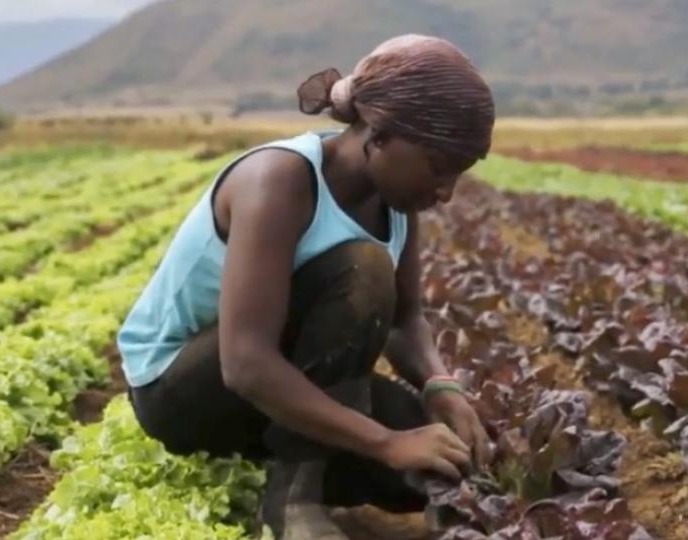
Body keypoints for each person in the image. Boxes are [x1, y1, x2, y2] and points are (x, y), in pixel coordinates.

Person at [116, 34, 496, 539]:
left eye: (458, 176)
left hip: (276, 379)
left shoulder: (395, 201)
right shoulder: (280, 181)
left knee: (445, 459)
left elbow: (406, 322)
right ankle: (293, 498)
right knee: (362, 268)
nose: (446, 193)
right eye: (439, 168)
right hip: (182, 387)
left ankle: (296, 455)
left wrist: (440, 387)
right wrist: (382, 441)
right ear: (380, 134)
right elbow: (246, 363)